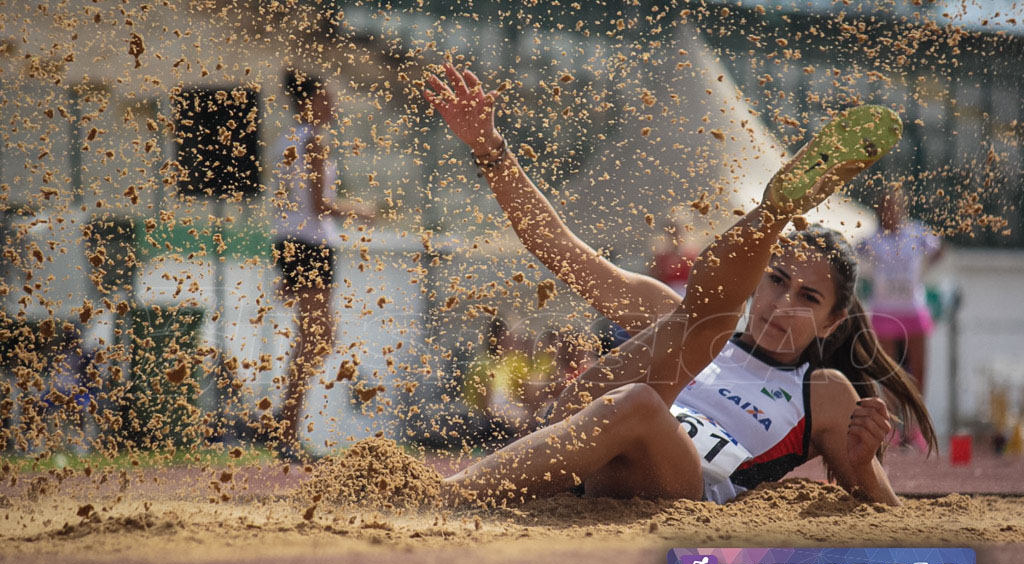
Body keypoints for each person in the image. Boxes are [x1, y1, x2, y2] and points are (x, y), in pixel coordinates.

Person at [423, 62, 935, 507]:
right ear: (757, 281)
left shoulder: (822, 391)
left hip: (680, 483)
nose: (783, 305)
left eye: (809, 297)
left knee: (647, 396)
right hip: (592, 449)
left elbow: (885, 512)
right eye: (777, 281)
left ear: (833, 322)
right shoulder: (670, 320)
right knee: (689, 328)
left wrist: (865, 464)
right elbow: (560, 249)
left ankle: (446, 497)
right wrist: (491, 149)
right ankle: (771, 216)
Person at [268, 69, 373, 461]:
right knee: (318, 339)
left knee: (314, 339)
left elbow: (286, 202)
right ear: (308, 101)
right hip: (309, 245)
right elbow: (320, 207)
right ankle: (284, 428)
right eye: (325, 97)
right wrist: (361, 210)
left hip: (296, 244)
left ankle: (285, 424)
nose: (332, 104)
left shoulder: (287, 140)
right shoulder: (311, 142)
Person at [857, 184, 942, 450]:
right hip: (884, 310)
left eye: (894, 206)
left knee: (919, 371)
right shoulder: (872, 240)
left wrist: (921, 273)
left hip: (913, 309)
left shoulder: (917, 233)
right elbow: (854, 253)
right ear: (879, 210)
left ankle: (916, 428)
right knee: (888, 371)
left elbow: (939, 249)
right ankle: (892, 428)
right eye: (884, 207)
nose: (889, 211)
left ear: (902, 207)